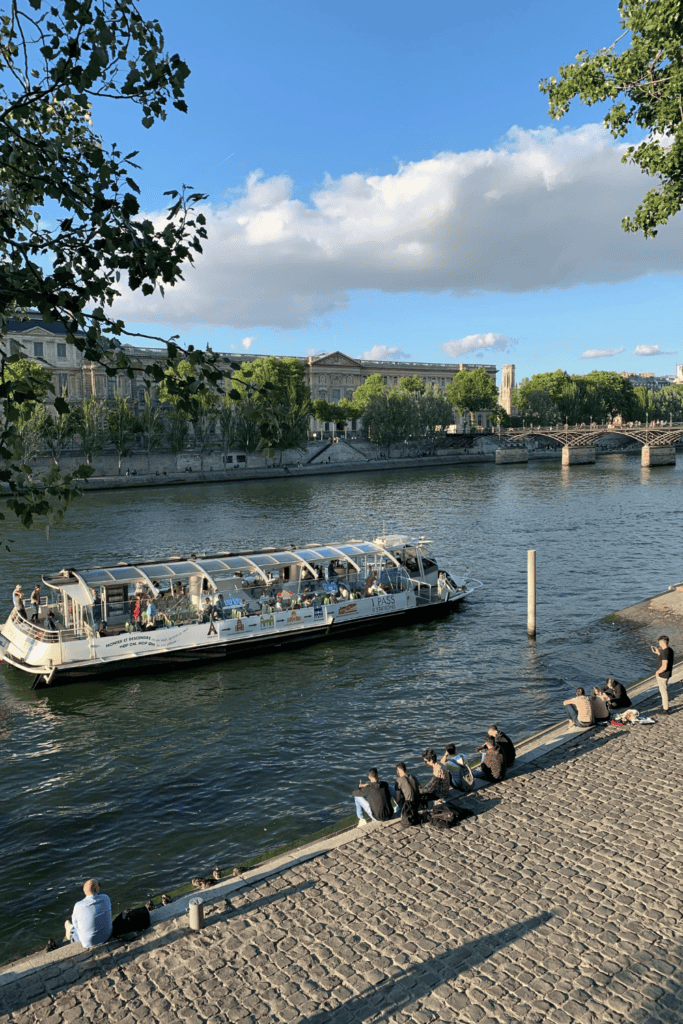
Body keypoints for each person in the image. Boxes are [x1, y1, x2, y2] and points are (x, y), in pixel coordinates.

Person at [65, 878, 112, 948]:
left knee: (72, 928)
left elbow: (76, 924)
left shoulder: (78, 906)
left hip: (89, 943)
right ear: (97, 889)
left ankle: (70, 935)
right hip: (107, 936)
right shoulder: (105, 898)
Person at [652, 636, 674, 715]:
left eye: (660, 642)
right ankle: (665, 705)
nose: (659, 644)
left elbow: (664, 666)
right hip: (667, 674)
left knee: (663, 691)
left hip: (662, 675)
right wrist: (658, 652)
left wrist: (658, 672)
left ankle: (665, 709)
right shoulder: (669, 650)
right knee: (664, 690)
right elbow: (664, 658)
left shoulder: (665, 652)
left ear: (664, 642)